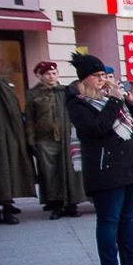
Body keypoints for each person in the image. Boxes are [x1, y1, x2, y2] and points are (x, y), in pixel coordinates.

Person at [66, 53, 133, 265]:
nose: (102, 80)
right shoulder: (78, 103)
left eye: (104, 75)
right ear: (84, 78)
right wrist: (116, 101)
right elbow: (97, 128)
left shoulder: (110, 98)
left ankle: (130, 261)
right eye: (97, 76)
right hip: (104, 169)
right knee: (108, 220)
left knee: (127, 218)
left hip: (128, 166)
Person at [25, 60, 85, 218]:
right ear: (40, 76)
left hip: (66, 138)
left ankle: (71, 204)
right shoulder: (33, 94)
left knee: (69, 171)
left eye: (54, 73)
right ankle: (56, 204)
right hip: (45, 139)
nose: (51, 76)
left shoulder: (65, 91)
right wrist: (31, 141)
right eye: (47, 74)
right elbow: (30, 119)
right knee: (50, 173)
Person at [0, 56, 36, 227]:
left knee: (7, 173)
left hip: (7, 139)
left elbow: (14, 114)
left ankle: (7, 209)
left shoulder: (4, 88)